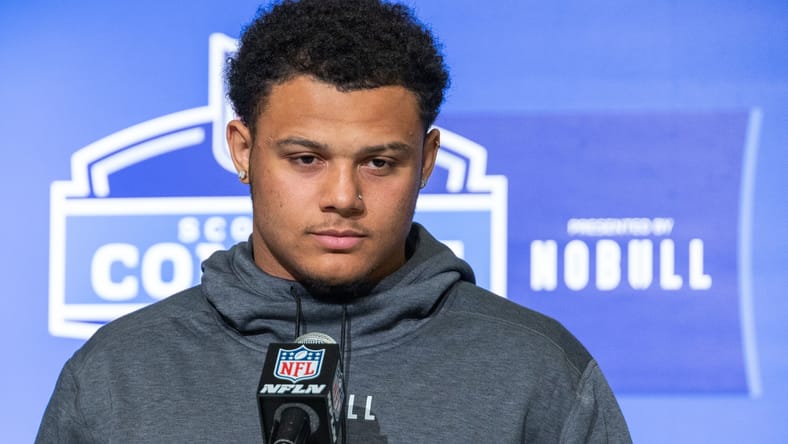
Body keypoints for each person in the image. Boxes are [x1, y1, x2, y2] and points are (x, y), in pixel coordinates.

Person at [37, 0, 632, 442]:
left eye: (379, 162)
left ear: (426, 162)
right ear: (243, 151)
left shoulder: (536, 369)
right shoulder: (119, 372)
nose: (343, 196)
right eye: (306, 159)